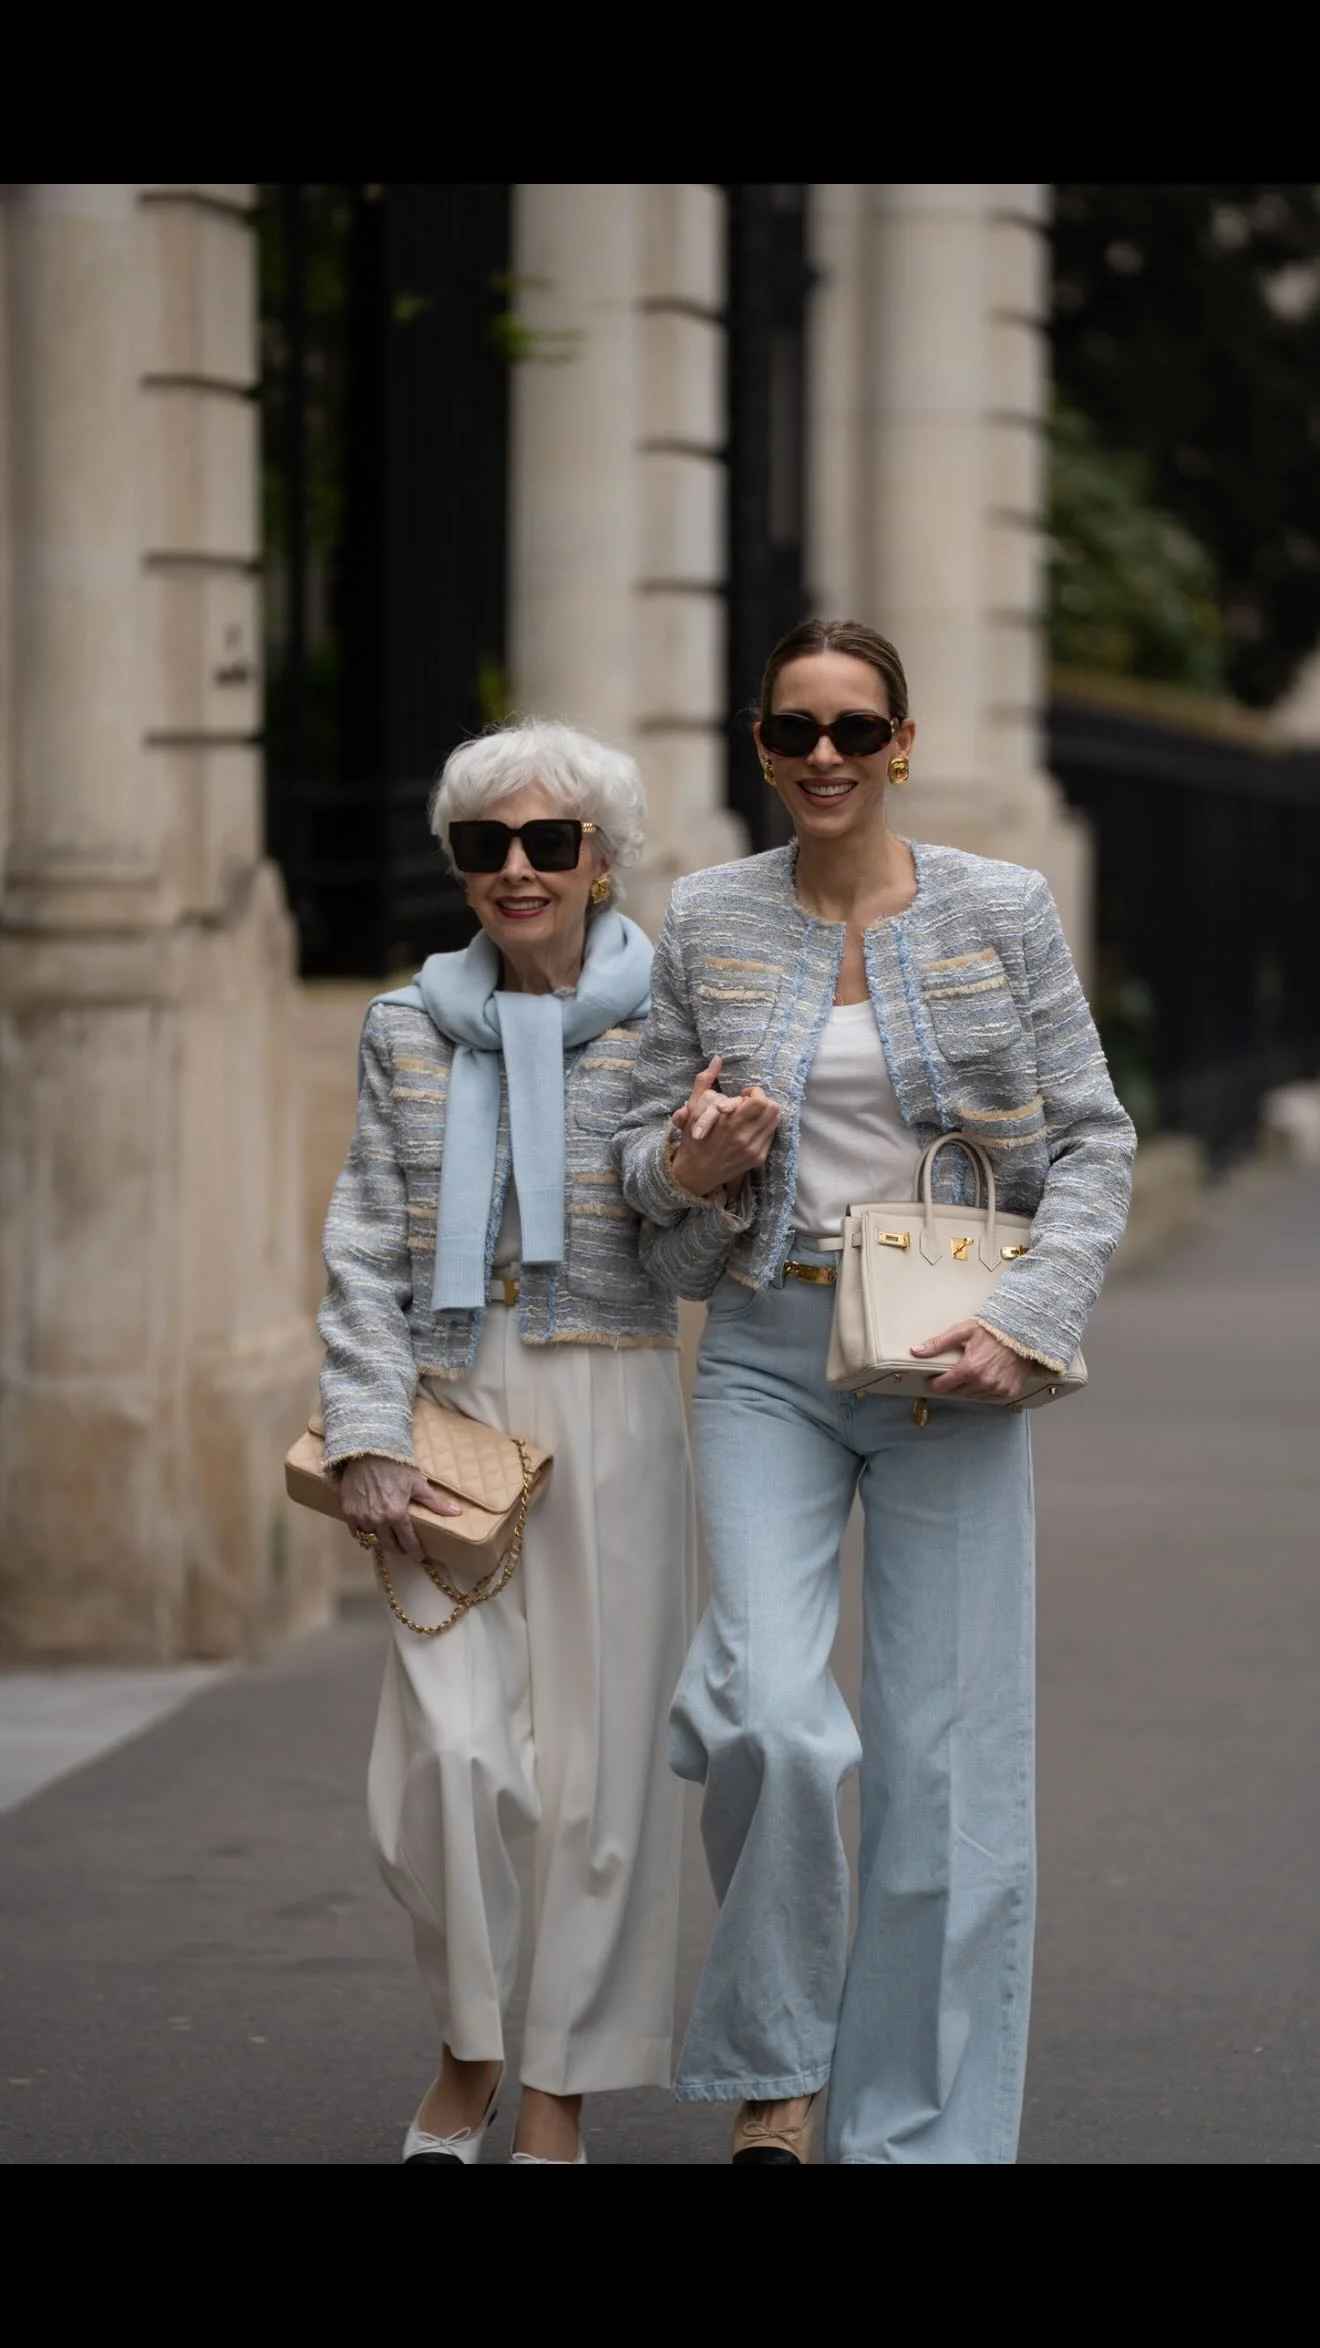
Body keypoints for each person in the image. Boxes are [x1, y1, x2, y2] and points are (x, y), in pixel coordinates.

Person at [615, 618, 1136, 2165]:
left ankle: (912, 2138)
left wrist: (1031, 1322)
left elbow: (1096, 1141)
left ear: (902, 744)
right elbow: (636, 1163)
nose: (826, 758)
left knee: (945, 1770)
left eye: (855, 731)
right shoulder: (706, 916)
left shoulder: (1002, 907)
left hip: (951, 1366)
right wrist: (690, 1168)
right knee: (775, 1718)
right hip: (768, 1358)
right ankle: (783, 2064)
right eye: (796, 732)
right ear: (761, 750)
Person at [318, 717, 699, 2166]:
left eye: (552, 842)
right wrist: (366, 1429)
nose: (520, 870)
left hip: (611, 1397)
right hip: (446, 1413)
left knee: (604, 1778)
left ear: (605, 859)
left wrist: (699, 1174)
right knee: (445, 1762)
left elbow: (697, 1255)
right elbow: (361, 1241)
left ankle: (555, 2097)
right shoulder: (402, 1023)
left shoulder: (676, 1015)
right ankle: (472, 2042)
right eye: (488, 846)